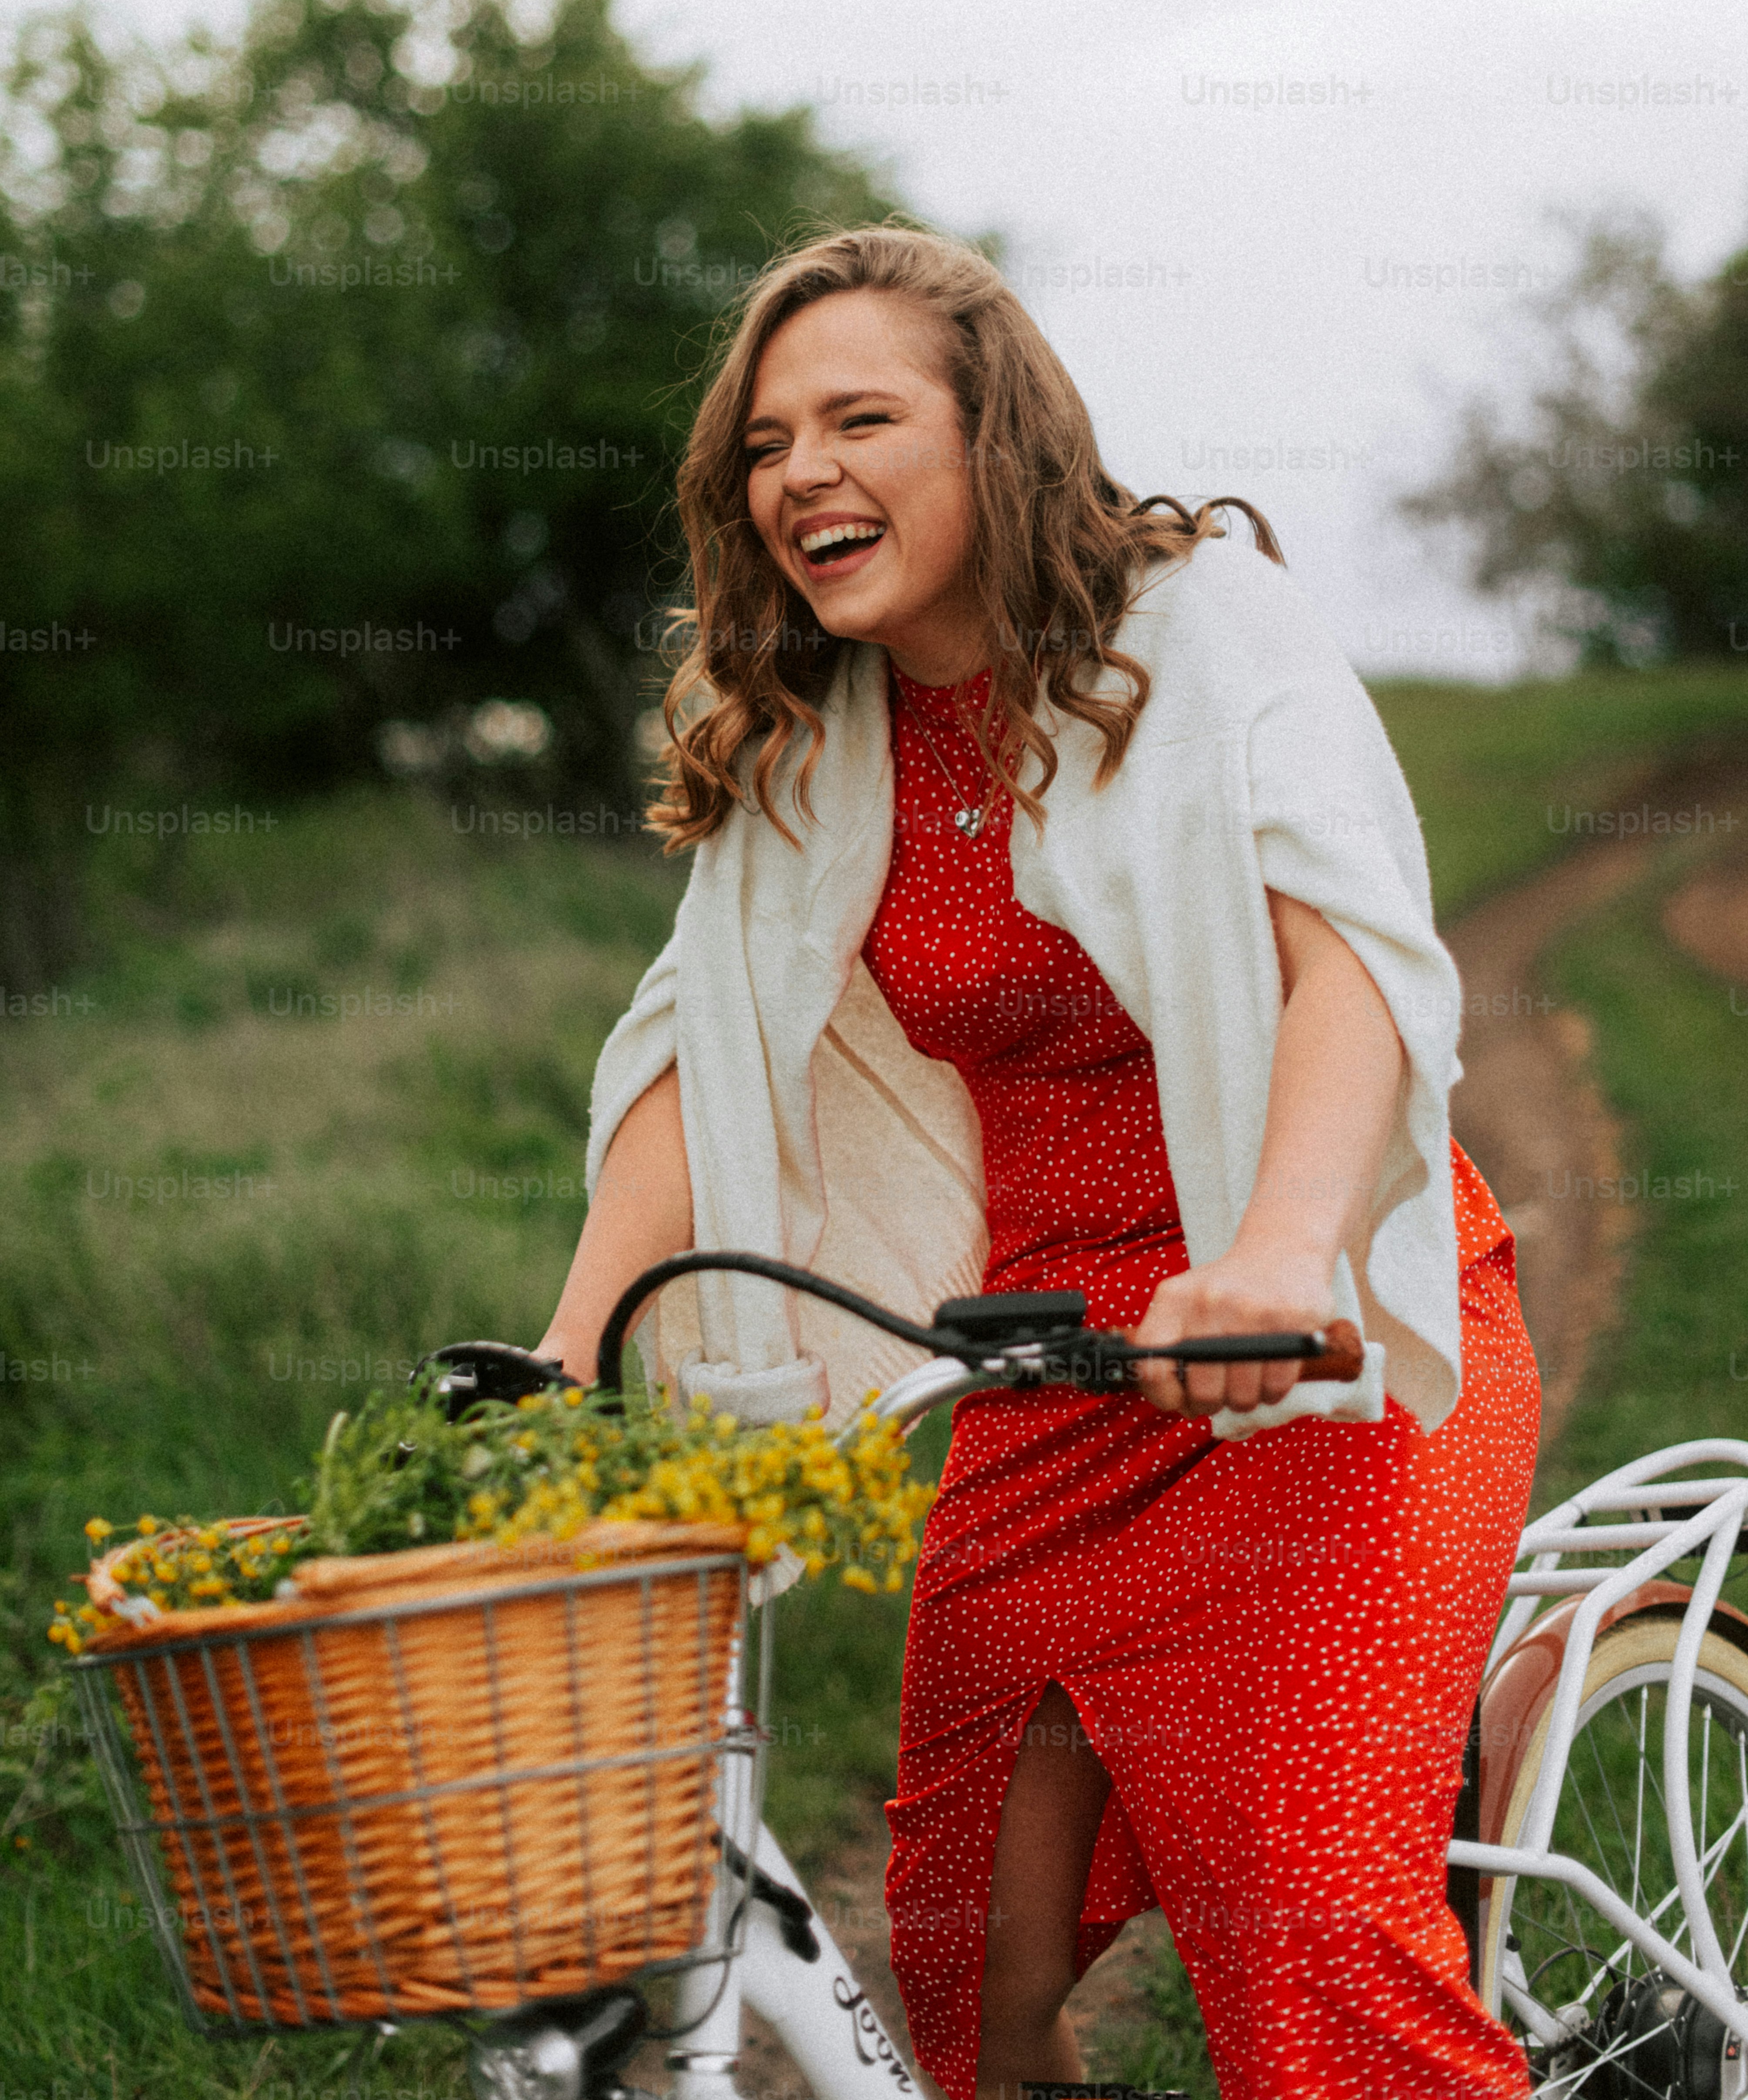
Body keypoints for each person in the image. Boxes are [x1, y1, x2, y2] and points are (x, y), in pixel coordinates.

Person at [538, 226, 1540, 2100]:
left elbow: (1355, 960)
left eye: (858, 417)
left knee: (1309, 1937)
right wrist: (567, 1354)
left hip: (1299, 1363)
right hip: (1047, 1378)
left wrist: (1276, 1252)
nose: (800, 473)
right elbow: (707, 1051)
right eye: (764, 443)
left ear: (992, 435)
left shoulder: (1198, 631)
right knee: (965, 1974)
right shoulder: (816, 736)